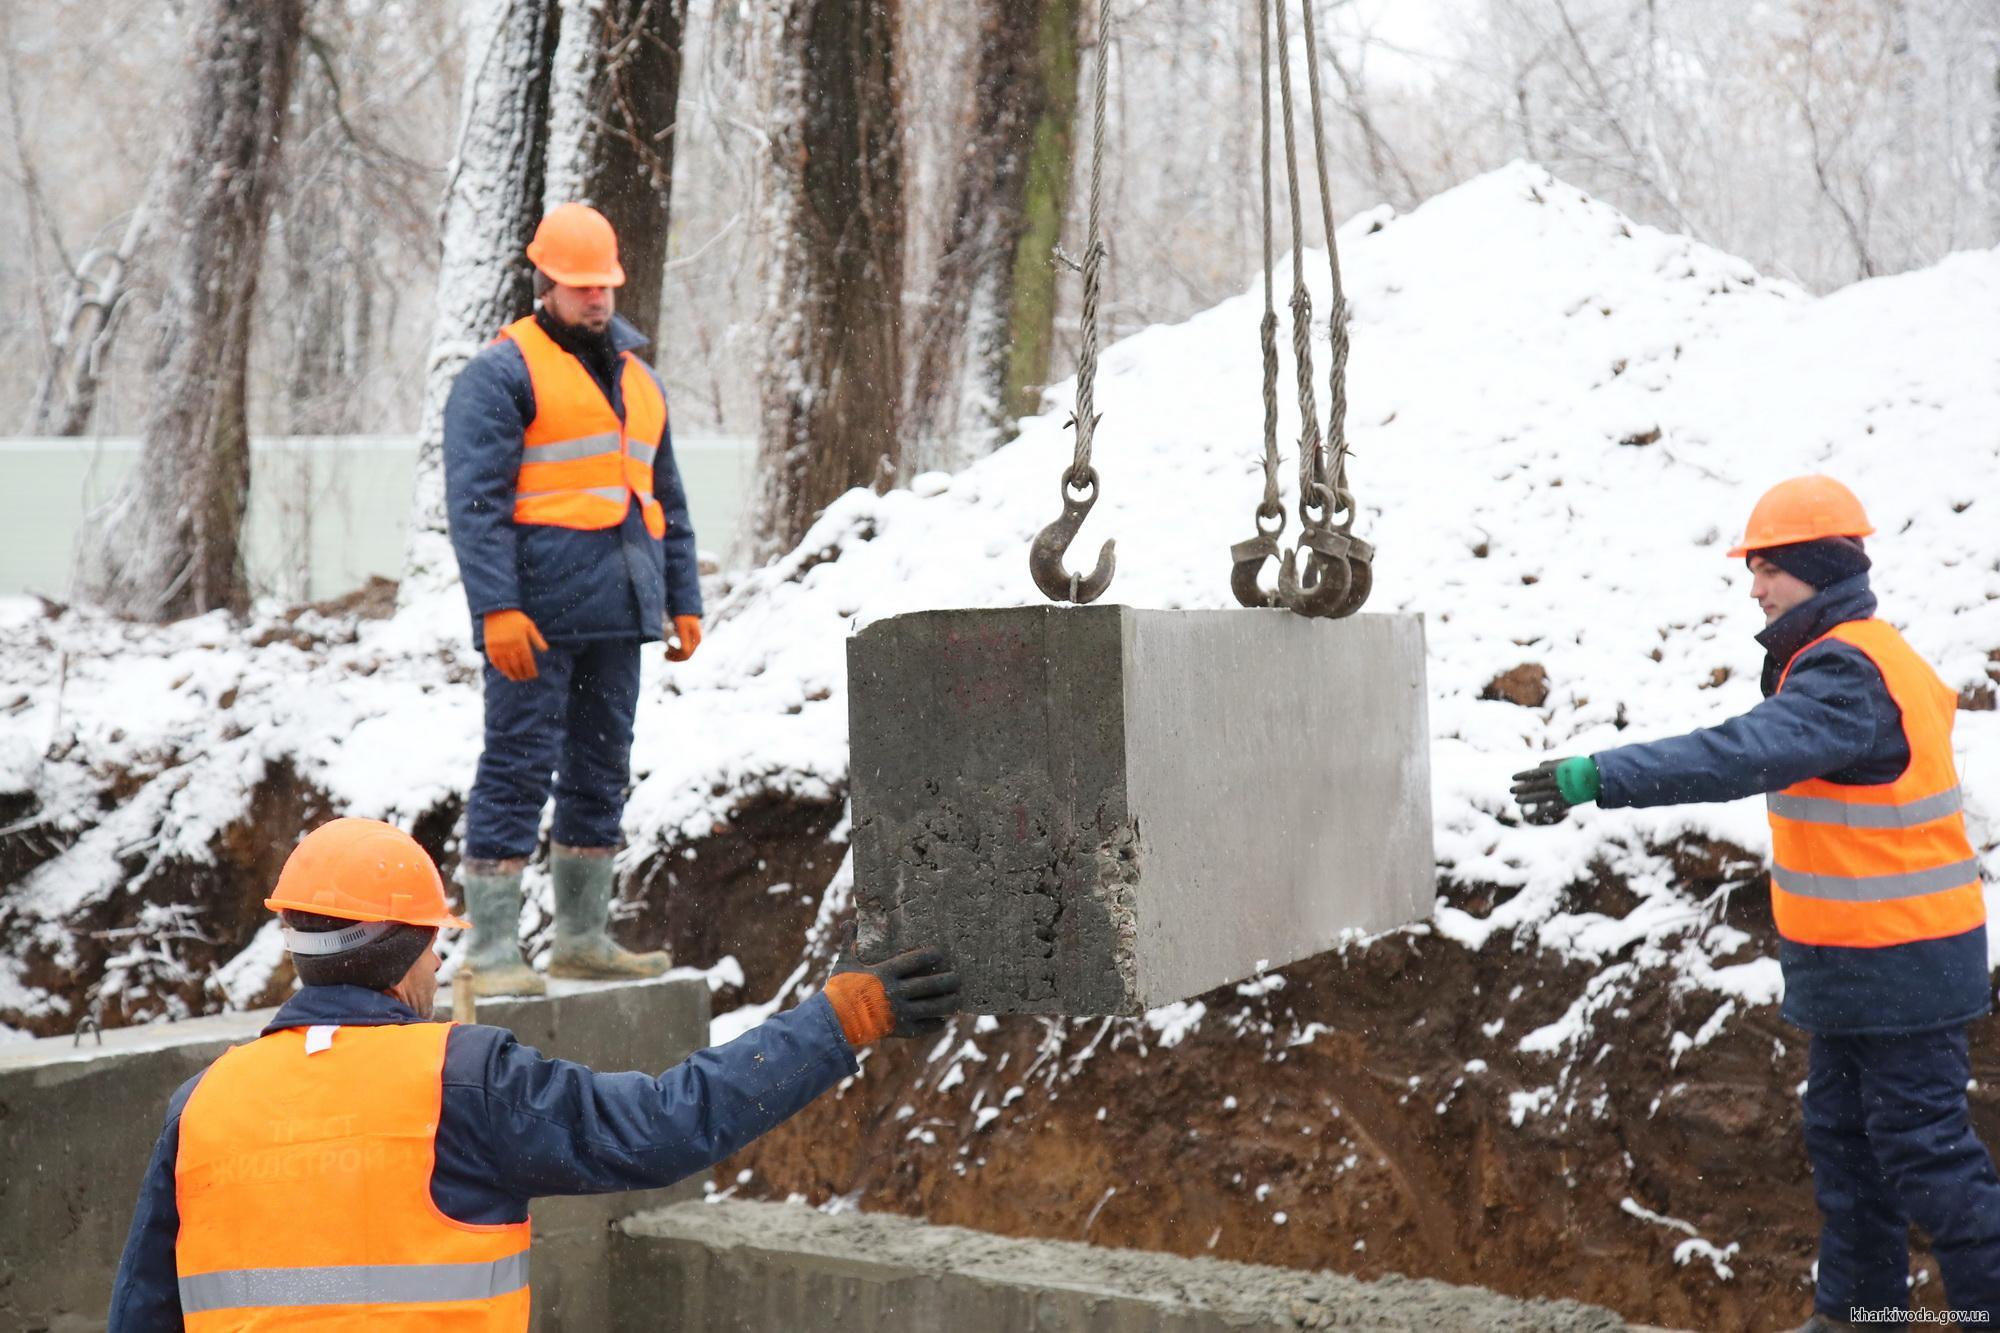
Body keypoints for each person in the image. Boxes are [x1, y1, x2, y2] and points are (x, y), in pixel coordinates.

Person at [108, 818, 958, 1329]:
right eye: (436, 946)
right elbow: (666, 1126)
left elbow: (143, 1314)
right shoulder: (460, 1079)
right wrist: (839, 1020)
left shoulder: (204, 1106)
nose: (438, 969)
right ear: (412, 953)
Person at [1511, 475, 2000, 1330]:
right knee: (1851, 1156)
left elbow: (1739, 752)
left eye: (1768, 566)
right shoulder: (1840, 659)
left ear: (1816, 566)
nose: (1754, 585)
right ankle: (1861, 1316)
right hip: (1863, 968)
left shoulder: (1847, 672)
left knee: (1928, 1161)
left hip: (1901, 966)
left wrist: (1598, 776)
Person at [444, 202, 704, 996]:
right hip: (536, 618)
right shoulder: (500, 374)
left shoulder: (639, 381)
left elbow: (666, 501)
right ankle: (490, 949)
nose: (595, 299)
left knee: (601, 769)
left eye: (604, 286)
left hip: (620, 615)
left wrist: (682, 599)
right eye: (579, 286)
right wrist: (496, 608)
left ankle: (583, 938)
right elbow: (477, 504)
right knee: (518, 766)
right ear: (545, 283)